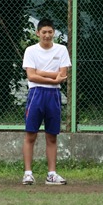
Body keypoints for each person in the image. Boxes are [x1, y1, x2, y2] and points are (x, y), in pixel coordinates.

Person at [21, 18, 71, 185]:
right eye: (44, 32)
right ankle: (28, 173)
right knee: (30, 134)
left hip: (54, 96)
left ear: (54, 33)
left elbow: (62, 75)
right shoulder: (30, 50)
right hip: (36, 94)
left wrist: (42, 73)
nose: (47, 35)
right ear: (38, 33)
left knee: (52, 136)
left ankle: (51, 174)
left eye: (50, 32)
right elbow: (31, 76)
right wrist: (52, 77)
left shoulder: (62, 49)